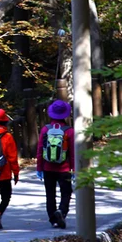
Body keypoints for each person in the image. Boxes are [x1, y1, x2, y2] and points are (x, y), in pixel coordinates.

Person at [35, 98, 75, 229]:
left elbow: (40, 150)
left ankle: (53, 219)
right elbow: (73, 152)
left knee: (50, 193)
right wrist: (74, 169)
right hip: (64, 168)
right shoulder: (69, 131)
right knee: (66, 192)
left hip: (48, 168)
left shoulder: (45, 130)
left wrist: (39, 168)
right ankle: (62, 212)